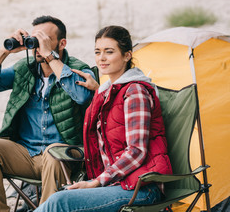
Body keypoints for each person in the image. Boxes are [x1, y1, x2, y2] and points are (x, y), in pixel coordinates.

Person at [34, 25, 173, 212]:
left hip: (142, 188)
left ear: (127, 55)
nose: (102, 58)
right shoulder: (106, 91)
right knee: (60, 198)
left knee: (60, 202)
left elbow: (136, 151)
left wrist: (96, 183)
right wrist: (98, 91)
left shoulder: (135, 92)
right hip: (117, 184)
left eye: (109, 52)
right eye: (97, 52)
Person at [0, 15, 95, 212]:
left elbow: (83, 96)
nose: (38, 47)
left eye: (44, 40)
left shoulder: (79, 69)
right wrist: (4, 51)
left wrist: (50, 57)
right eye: (35, 40)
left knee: (54, 153)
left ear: (62, 43)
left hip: (63, 158)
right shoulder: (25, 70)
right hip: (26, 153)